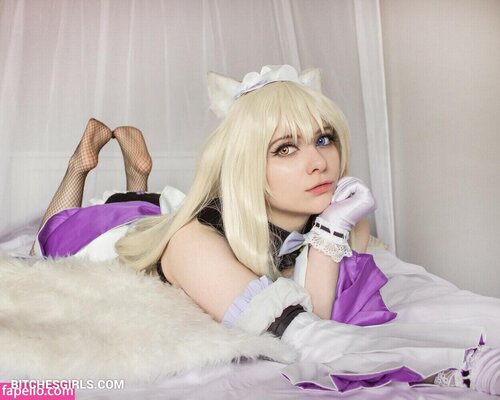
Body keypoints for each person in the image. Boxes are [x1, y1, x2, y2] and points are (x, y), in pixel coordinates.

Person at [33, 65, 500, 395]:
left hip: (183, 213)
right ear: (246, 166)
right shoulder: (189, 240)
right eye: (285, 149)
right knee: (44, 239)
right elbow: (303, 333)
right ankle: (81, 165)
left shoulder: (341, 213)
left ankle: (138, 176)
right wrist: (460, 364)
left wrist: (332, 228)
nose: (319, 162)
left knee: (155, 207)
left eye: (323, 139)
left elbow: (320, 309)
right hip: (114, 228)